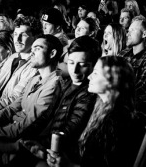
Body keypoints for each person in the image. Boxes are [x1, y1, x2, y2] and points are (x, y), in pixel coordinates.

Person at [11, 36, 100, 167]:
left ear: (94, 65)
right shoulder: (63, 83)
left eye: (83, 65)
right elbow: (46, 115)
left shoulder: (89, 93)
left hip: (60, 150)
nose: (74, 70)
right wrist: (26, 136)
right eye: (70, 63)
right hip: (44, 140)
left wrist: (39, 143)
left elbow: (70, 130)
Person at [45, 56, 146, 167]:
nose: (89, 77)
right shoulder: (101, 107)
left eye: (95, 73)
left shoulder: (117, 120)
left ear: (112, 80)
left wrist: (68, 165)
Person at [0, 34, 63, 139]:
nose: (31, 53)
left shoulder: (54, 85)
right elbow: (12, 108)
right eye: (32, 49)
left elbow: (27, 127)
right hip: (8, 126)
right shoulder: (35, 79)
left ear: (52, 53)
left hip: (20, 137)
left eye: (37, 49)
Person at [118, 19, 146, 103]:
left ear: (144, 34)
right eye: (128, 31)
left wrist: (117, 93)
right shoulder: (123, 54)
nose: (128, 34)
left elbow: (142, 86)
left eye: (132, 30)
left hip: (136, 102)